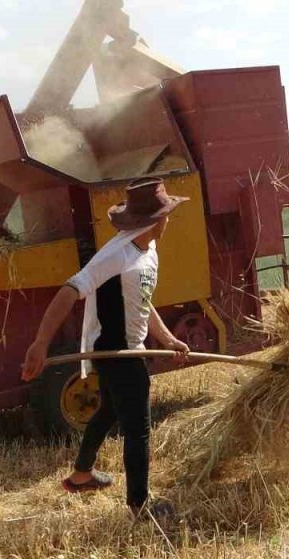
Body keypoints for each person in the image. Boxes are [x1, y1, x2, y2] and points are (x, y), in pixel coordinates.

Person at [21, 178, 191, 519]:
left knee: (109, 410)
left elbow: (141, 300)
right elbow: (70, 290)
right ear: (157, 220)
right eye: (167, 214)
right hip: (117, 353)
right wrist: (40, 343)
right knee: (139, 429)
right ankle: (139, 506)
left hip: (131, 349)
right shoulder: (115, 255)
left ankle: (82, 474)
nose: (169, 220)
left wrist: (168, 338)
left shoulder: (149, 250)